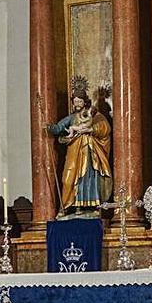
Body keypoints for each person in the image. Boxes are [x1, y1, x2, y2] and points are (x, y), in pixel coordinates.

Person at [47, 75, 112, 214]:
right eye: (75, 100)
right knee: (69, 178)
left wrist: (91, 129)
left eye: (80, 100)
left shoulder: (92, 114)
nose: (77, 103)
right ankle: (69, 205)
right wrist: (49, 127)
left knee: (90, 177)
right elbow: (59, 128)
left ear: (84, 102)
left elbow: (105, 127)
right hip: (74, 152)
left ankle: (92, 206)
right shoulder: (71, 118)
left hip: (89, 152)